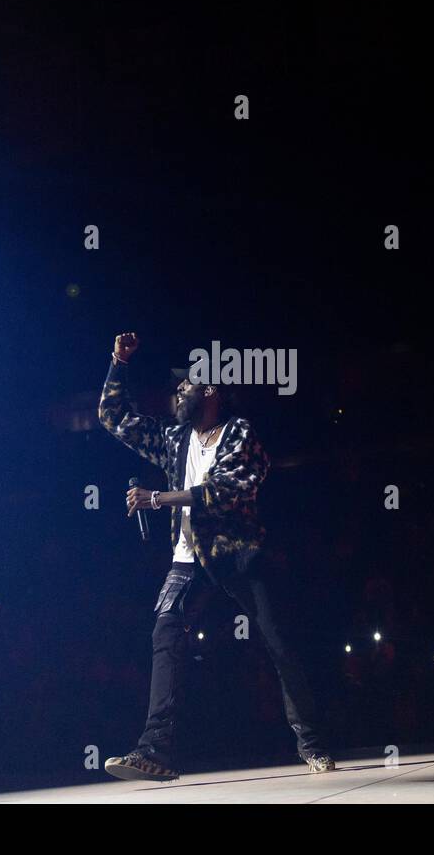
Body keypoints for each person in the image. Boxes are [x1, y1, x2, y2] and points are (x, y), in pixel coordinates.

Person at [98, 331, 335, 781]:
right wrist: (119, 362)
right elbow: (114, 417)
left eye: (185, 386)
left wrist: (158, 498)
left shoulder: (241, 433)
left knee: (278, 642)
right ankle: (155, 752)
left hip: (239, 552)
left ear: (210, 390)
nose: (177, 392)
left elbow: (223, 492)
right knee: (165, 633)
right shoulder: (173, 438)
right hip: (189, 558)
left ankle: (312, 742)